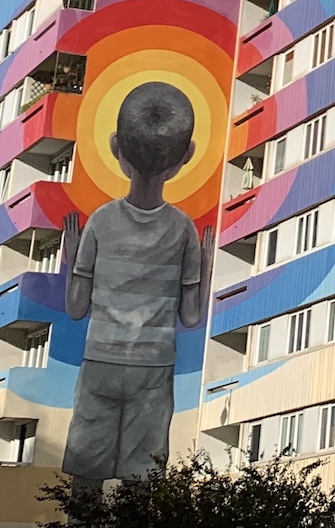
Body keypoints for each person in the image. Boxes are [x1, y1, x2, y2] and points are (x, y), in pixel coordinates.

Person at [59, 82, 215, 482]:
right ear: (186, 157)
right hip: (154, 367)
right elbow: (192, 317)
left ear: (115, 148)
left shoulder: (99, 222)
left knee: (85, 477)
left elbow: (76, 310)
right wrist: (208, 263)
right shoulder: (183, 230)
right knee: (142, 482)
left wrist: (70, 260)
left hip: (100, 363)